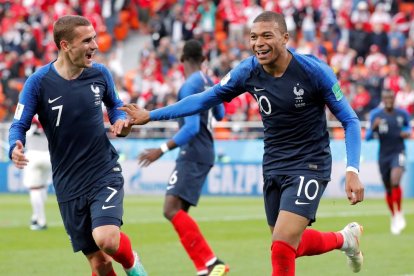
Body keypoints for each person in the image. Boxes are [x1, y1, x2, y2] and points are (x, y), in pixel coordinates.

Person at [120, 11, 365, 275]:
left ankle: (343, 240)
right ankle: (344, 239)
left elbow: (350, 120)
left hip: (310, 164)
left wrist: (352, 170)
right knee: (284, 243)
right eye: (253, 37)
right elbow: (205, 99)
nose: (259, 43)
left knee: (282, 246)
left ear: (285, 38)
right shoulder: (248, 71)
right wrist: (151, 115)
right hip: (273, 164)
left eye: (267, 36)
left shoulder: (314, 71)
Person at [9, 15, 147, 276]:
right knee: (99, 264)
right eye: (87, 40)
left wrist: (121, 123)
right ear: (65, 45)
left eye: (94, 38)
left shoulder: (100, 73)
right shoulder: (38, 83)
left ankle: (133, 266)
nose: (95, 45)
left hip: (102, 172)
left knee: (106, 238)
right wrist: (15, 146)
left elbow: (115, 107)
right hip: (68, 182)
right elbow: (19, 124)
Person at [138, 39, 228, 276]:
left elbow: (191, 128)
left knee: (170, 209)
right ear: (203, 59)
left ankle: (210, 262)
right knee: (178, 211)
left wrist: (162, 149)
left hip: (193, 152)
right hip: (206, 151)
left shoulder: (189, 85)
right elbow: (220, 113)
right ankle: (205, 267)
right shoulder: (209, 82)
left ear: (181, 59)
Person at [366, 90, 410, 235]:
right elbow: (367, 137)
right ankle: (394, 215)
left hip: (399, 151)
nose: (389, 100)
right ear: (383, 99)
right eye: (386, 97)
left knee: (395, 181)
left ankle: (399, 212)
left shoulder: (402, 114)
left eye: (391, 97)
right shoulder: (375, 115)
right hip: (384, 155)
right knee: (388, 188)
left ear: (394, 99)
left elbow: (408, 127)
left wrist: (407, 132)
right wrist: (374, 127)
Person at [24, 117, 52, 231]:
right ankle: (36, 216)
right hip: (48, 155)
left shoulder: (29, 115)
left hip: (34, 154)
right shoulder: (49, 114)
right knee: (42, 186)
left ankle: (41, 220)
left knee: (35, 189)